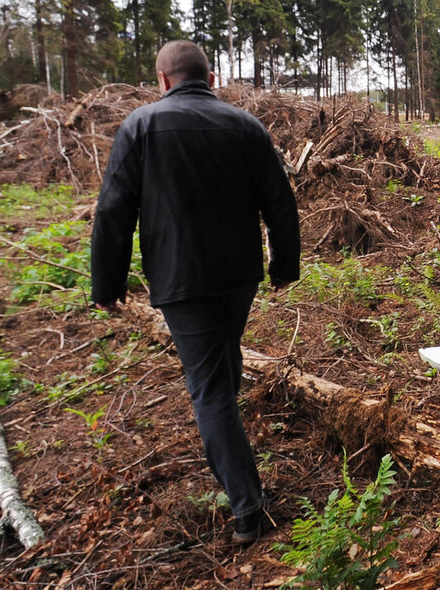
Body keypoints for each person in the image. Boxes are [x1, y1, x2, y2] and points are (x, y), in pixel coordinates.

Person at [90, 40, 300, 544]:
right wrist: (282, 266)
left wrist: (107, 284)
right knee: (221, 368)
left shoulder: (140, 126)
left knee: (209, 387)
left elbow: (113, 211)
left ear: (162, 79)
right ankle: (238, 466)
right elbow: (280, 201)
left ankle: (248, 508)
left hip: (182, 280)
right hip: (238, 276)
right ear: (210, 77)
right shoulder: (245, 126)